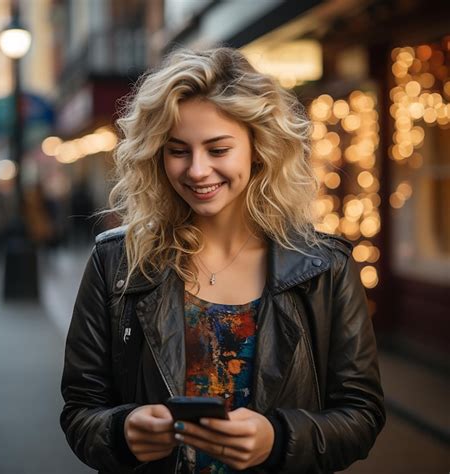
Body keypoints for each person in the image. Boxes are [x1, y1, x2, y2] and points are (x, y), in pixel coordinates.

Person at [60, 47, 385, 474]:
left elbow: (362, 415)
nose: (197, 170)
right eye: (178, 150)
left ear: (258, 148)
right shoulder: (115, 261)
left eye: (217, 149)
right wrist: (122, 430)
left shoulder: (325, 267)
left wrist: (279, 438)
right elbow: (81, 410)